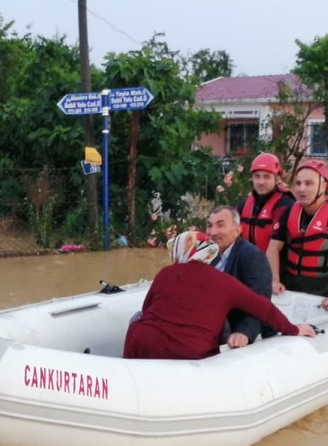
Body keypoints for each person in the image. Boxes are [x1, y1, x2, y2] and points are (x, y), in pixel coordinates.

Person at [123, 231, 316, 360]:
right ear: (207, 253)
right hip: (191, 352)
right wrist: (293, 329)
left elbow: (146, 309)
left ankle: (127, 372)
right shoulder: (225, 282)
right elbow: (264, 308)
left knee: (137, 318)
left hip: (144, 345)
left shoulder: (165, 273)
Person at [267, 159, 328, 312]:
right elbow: (273, 248)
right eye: (298, 183)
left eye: (309, 183)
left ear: (323, 185)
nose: (301, 189)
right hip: (293, 284)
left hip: (326, 288)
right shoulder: (289, 212)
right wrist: (275, 280)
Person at [206, 205, 275, 348]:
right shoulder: (209, 255)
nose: (212, 232)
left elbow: (260, 300)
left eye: (220, 226)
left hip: (238, 328)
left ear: (237, 230)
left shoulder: (252, 256)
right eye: (209, 226)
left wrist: (244, 332)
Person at [236, 152, 295, 253]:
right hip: (249, 263)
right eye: (257, 176)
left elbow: (276, 245)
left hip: (275, 264)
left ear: (276, 179)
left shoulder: (285, 204)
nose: (261, 182)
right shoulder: (244, 205)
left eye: (266, 177)